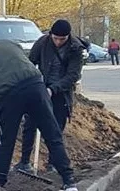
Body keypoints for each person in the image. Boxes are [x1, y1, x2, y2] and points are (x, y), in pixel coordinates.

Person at [0, 32, 79, 191]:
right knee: (53, 135)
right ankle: (69, 180)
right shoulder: (9, 44)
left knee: (4, 142)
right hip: (36, 87)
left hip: (7, 97)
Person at [16, 19, 86, 172]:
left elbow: (73, 75)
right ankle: (24, 162)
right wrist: (32, 84)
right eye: (55, 38)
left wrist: (53, 89)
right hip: (39, 90)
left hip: (61, 94)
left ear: (68, 36)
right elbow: (29, 63)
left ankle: (53, 164)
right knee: (30, 126)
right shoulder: (43, 42)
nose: (58, 42)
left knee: (55, 129)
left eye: (62, 39)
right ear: (50, 35)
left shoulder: (76, 48)